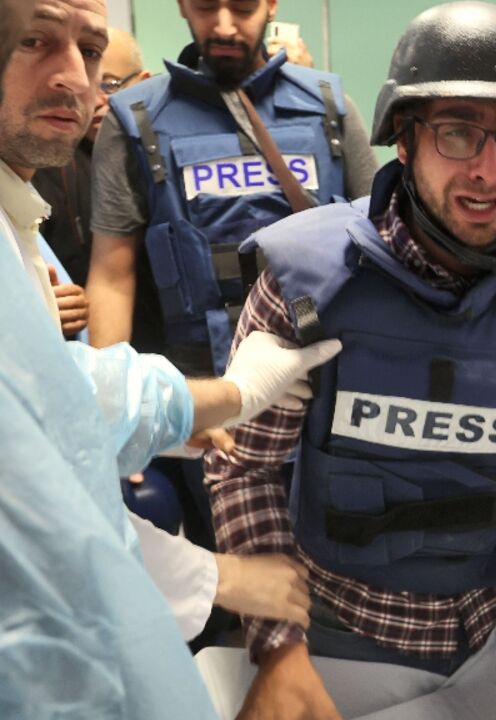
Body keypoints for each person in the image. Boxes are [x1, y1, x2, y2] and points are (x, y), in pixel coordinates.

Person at [205, 4, 496, 718]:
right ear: (402, 140)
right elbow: (243, 467)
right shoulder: (305, 281)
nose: (490, 170)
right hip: (337, 633)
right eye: (458, 132)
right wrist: (278, 646)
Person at [0, 1, 339, 714]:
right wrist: (209, 572)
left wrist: (188, 411)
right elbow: (44, 481)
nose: (74, 78)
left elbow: (61, 401)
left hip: (306, 421)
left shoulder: (328, 109)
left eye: (89, 52)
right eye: (35, 41)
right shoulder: (141, 121)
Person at [86, 0, 377, 376]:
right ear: (182, 6)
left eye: (242, 7)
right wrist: (113, 402)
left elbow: (382, 249)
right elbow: (112, 277)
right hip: (201, 379)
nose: (224, 26)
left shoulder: (330, 111)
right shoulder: (134, 120)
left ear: (271, 6)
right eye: (206, 6)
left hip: (325, 363)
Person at [29, 27, 146, 341]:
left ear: (143, 83)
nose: (94, 99)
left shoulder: (159, 156)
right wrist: (38, 302)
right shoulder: (41, 160)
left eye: (109, 84)